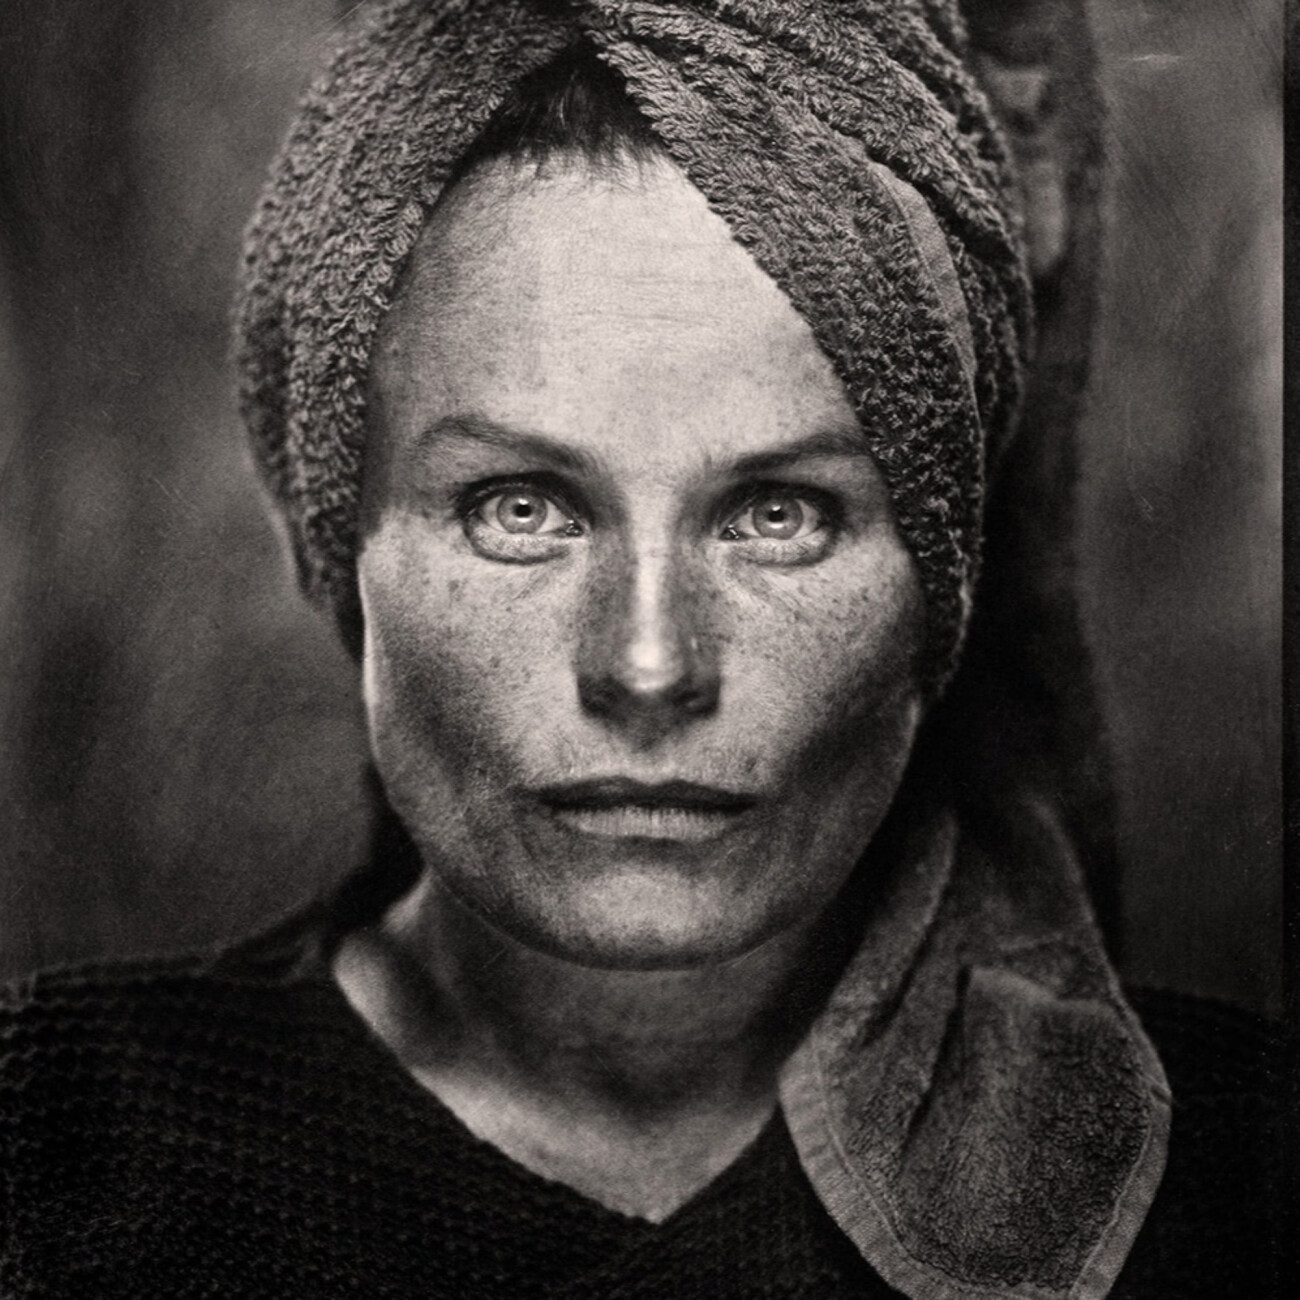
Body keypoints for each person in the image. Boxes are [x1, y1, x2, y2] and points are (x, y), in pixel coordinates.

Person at [0, 2, 1280, 1297]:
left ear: (938, 586)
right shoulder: (47, 1145)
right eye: (520, 510)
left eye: (779, 515)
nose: (652, 666)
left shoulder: (1244, 1185)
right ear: (337, 542)